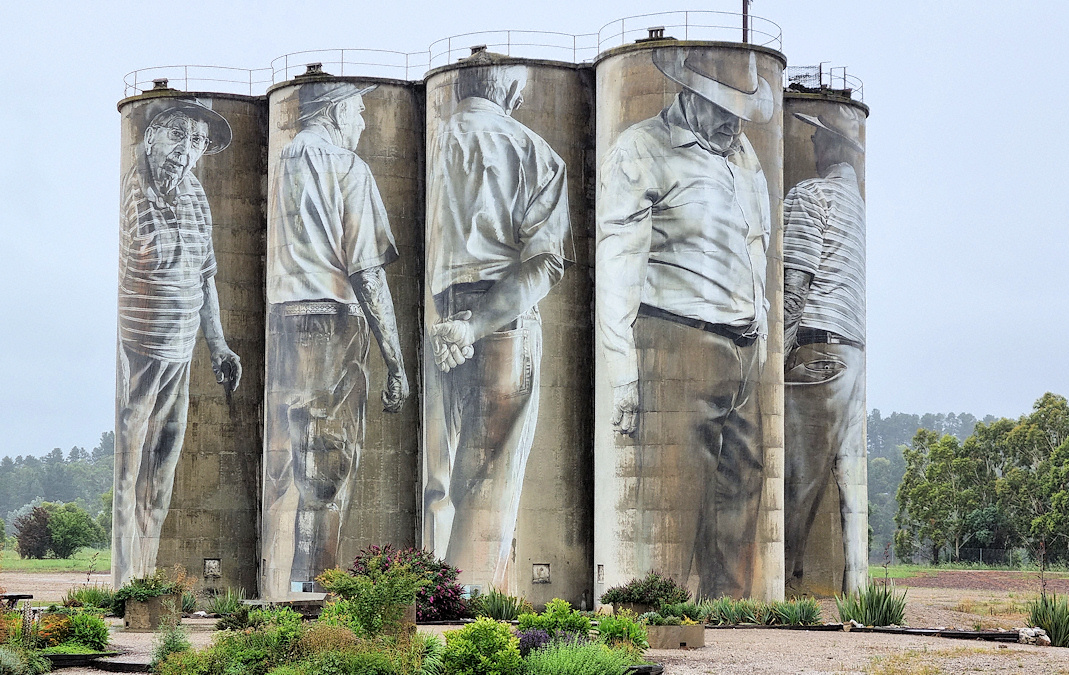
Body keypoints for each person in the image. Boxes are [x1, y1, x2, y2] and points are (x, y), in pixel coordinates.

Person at [596, 47, 774, 599]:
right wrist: (623, 373)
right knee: (672, 510)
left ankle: (733, 631)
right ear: (690, 94)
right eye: (722, 105)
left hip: (743, 351)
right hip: (677, 343)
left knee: (742, 499)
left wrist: (762, 332)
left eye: (741, 109)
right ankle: (657, 622)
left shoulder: (744, 158)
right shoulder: (642, 149)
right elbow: (616, 267)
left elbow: (756, 247)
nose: (732, 120)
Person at [423, 62, 572, 588]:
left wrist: (451, 326)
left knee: (441, 476)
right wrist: (475, 325)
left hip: (437, 317)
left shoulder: (425, 143)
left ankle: (433, 594)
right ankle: (468, 604)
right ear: (509, 89)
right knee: (491, 476)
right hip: (499, 320)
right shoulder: (533, 150)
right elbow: (543, 263)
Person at [265, 80, 409, 595]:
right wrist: (395, 360)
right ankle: (314, 589)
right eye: (359, 111)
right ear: (336, 112)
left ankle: (280, 587)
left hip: (280, 320)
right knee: (329, 458)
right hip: (330, 321)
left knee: (285, 455)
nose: (364, 122)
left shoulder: (281, 160)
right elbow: (368, 271)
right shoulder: (346, 166)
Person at [114, 98, 241, 587]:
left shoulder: (193, 192)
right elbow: (158, 261)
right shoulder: (136, 190)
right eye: (176, 137)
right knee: (131, 466)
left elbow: (205, 274)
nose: (185, 153)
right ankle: (125, 582)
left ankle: (146, 575)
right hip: (144, 347)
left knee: (164, 467)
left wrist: (219, 344)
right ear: (150, 138)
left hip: (183, 348)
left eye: (196, 143)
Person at [781, 105, 868, 595]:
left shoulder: (809, 195)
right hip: (855, 354)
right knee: (851, 488)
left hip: (818, 347)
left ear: (833, 145)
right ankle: (860, 597)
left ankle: (782, 594)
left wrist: (777, 355)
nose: (811, 146)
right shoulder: (858, 207)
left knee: (794, 485)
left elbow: (796, 285)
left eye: (817, 139)